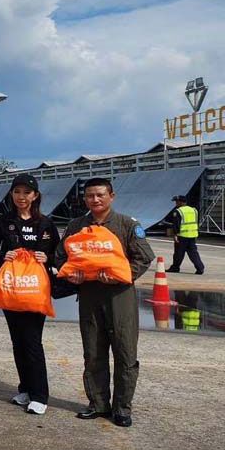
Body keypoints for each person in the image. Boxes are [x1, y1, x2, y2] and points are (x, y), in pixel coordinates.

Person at [58, 177, 154, 427]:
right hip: (89, 295)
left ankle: (122, 409)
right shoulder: (76, 226)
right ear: (85, 199)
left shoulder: (127, 224)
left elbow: (144, 257)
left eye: (100, 195)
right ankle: (98, 404)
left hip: (119, 296)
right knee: (93, 351)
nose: (95, 200)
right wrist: (73, 275)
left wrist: (122, 275)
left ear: (111, 196)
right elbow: (60, 257)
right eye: (90, 196)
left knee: (125, 352)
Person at [0, 174, 60, 415]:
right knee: (17, 341)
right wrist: (2, 255)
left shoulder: (46, 223)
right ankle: (26, 389)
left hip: (34, 289)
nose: (21, 197)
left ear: (35, 195)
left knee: (32, 341)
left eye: (27, 192)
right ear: (11, 194)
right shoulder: (3, 221)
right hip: (11, 288)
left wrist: (48, 257)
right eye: (17, 192)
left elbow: (60, 254)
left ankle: (40, 395)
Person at [166, 195, 204, 275]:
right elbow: (196, 222)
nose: (176, 203)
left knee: (178, 253)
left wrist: (175, 235)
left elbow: (176, 224)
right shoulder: (194, 210)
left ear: (181, 202)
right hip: (192, 235)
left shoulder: (178, 211)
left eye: (177, 201)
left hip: (182, 236)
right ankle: (200, 268)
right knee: (193, 253)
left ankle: (175, 268)